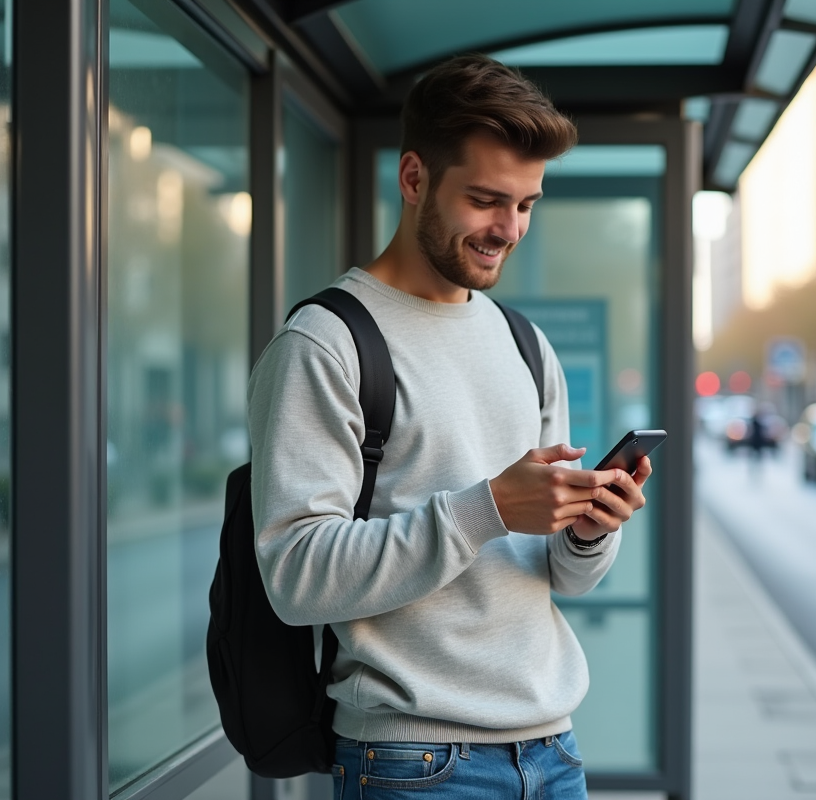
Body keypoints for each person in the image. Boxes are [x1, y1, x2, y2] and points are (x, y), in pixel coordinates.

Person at [248, 55, 652, 797]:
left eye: (526, 204)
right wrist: (486, 508)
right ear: (414, 179)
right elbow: (295, 577)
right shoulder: (326, 343)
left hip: (553, 751)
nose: (509, 229)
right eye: (486, 200)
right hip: (414, 766)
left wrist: (589, 531)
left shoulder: (526, 344)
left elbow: (563, 578)